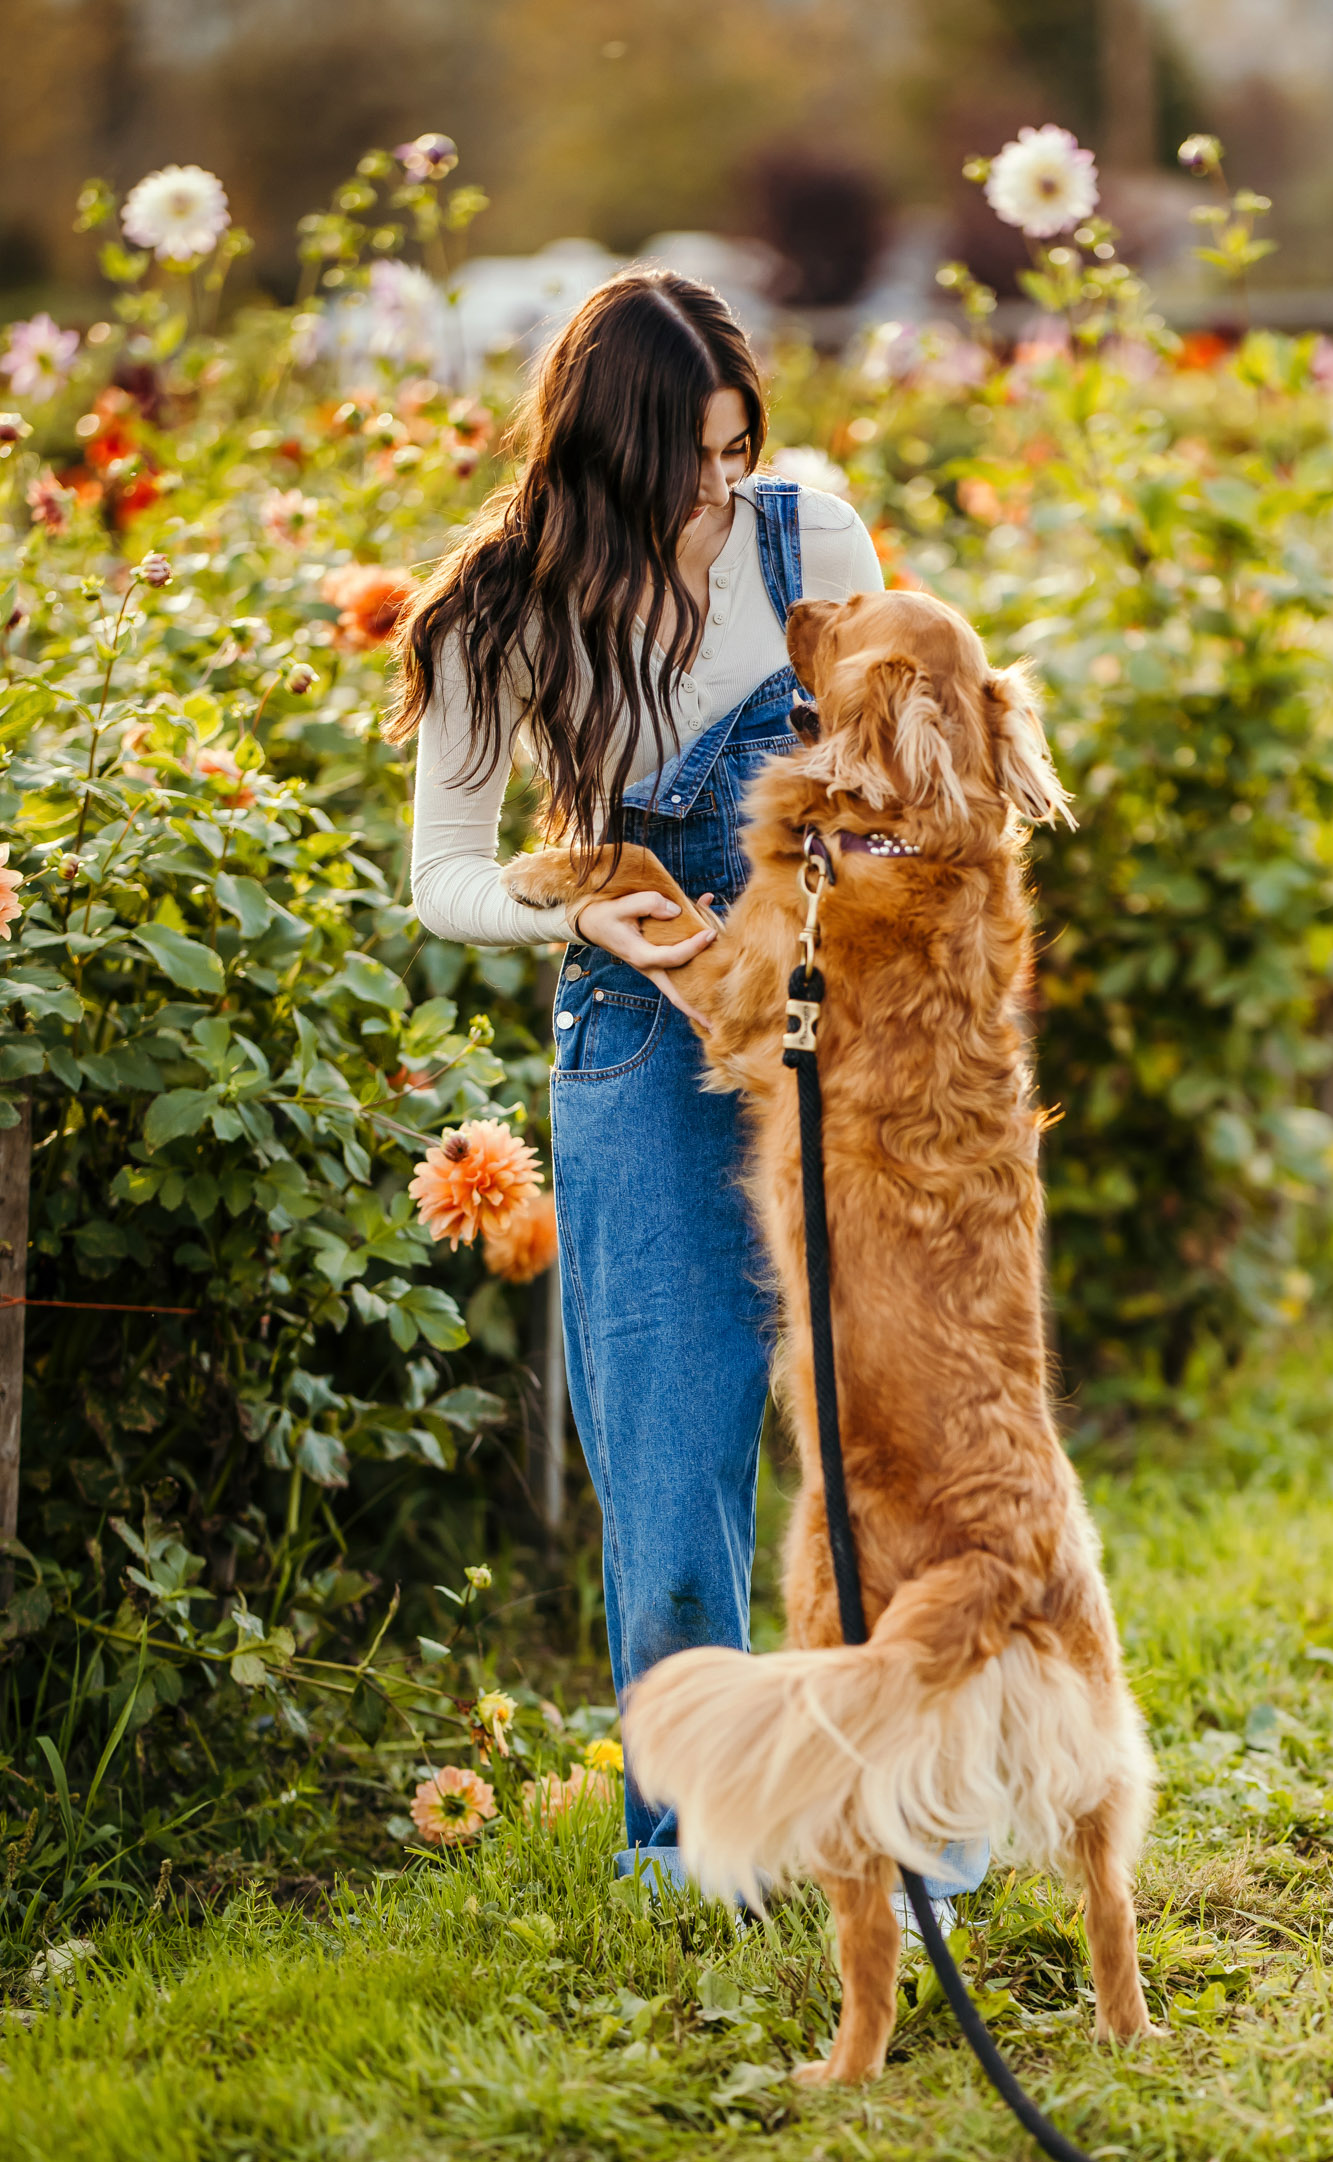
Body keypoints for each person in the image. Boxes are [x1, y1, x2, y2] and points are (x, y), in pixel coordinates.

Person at [392, 269, 985, 1913]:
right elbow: (442, 875)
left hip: (837, 1035)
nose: (725, 491)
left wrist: (856, 915)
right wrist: (581, 909)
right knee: (668, 1472)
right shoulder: (496, 614)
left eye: (742, 449)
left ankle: (922, 1825)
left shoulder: (816, 542)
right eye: (693, 463)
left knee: (893, 1447)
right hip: (641, 1043)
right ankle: (693, 1845)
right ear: (601, 456)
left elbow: (903, 777)